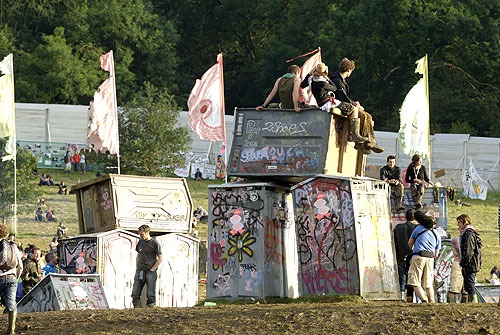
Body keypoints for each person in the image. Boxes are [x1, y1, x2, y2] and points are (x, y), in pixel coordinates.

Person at [329, 58, 383, 154]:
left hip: (343, 103)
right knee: (363, 115)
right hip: (338, 105)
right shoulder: (337, 80)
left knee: (368, 116)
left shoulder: (340, 80)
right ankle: (362, 143)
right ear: (349, 70)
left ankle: (371, 142)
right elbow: (343, 97)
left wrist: (354, 103)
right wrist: (355, 105)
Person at [407, 210, 441, 303]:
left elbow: (410, 242)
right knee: (428, 283)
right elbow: (436, 253)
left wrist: (412, 250)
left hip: (418, 256)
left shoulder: (418, 229)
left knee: (415, 281)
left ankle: (424, 300)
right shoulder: (437, 234)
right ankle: (432, 301)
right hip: (430, 258)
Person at [131, 224, 163, 308]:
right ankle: (137, 312)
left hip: (150, 271)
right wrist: (137, 266)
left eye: (142, 234)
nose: (140, 236)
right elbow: (138, 254)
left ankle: (150, 313)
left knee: (150, 295)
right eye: (140, 234)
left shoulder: (154, 243)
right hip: (140, 270)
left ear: (147, 232)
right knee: (135, 293)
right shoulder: (140, 242)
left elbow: (160, 258)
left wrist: (153, 269)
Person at [0, 223, 23, 335]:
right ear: (6, 233)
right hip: (12, 278)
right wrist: (16, 278)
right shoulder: (14, 246)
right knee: (12, 304)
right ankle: (11, 330)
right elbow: (21, 266)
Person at [393, 209, 417, 301]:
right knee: (412, 275)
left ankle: (402, 295)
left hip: (400, 255)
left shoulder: (398, 228)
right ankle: (410, 296)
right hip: (413, 255)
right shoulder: (417, 228)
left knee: (402, 275)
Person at [457, 214, 482, 303]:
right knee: (468, 284)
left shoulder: (469, 234)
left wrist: (464, 263)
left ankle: (474, 302)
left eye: (459, 222)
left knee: (469, 284)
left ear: (465, 222)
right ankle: (472, 301)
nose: (458, 225)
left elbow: (468, 251)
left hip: (470, 263)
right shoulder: (468, 233)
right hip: (471, 263)